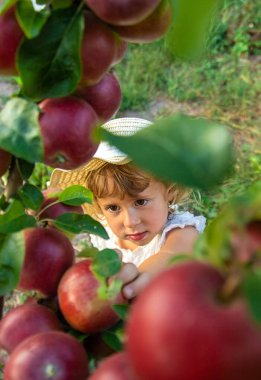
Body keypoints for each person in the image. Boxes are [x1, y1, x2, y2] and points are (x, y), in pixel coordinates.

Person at [50, 117, 206, 299]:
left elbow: (171, 256)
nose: (130, 221)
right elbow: (65, 212)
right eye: (113, 207)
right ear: (98, 205)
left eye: (140, 202)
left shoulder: (182, 232)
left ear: (170, 191)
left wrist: (127, 287)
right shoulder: (103, 227)